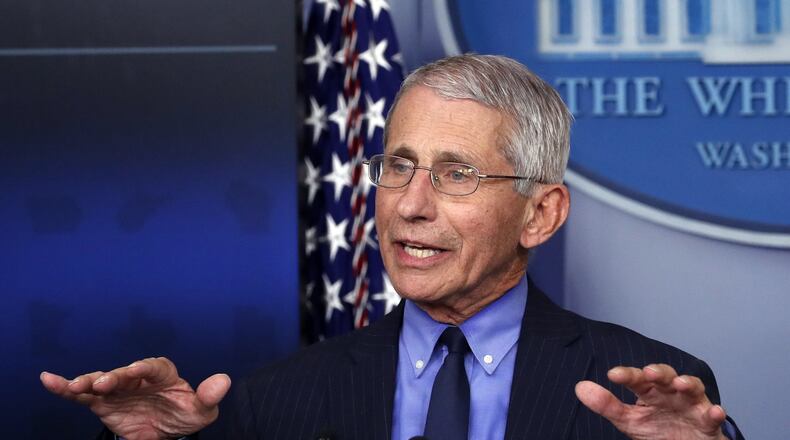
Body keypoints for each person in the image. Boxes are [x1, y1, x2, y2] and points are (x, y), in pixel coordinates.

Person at [40, 54, 744, 440]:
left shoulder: (652, 398)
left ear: (541, 214)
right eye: (397, 166)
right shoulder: (274, 403)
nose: (409, 204)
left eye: (456, 174)